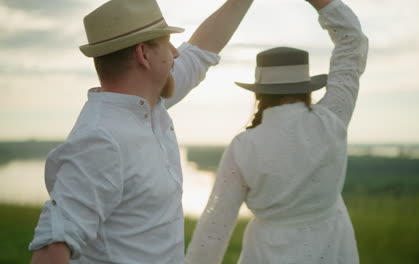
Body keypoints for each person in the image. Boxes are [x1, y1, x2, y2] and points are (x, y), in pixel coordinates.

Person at [28, 0, 254, 263]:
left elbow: (201, 50)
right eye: (167, 44)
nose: (176, 54)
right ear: (143, 55)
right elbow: (50, 249)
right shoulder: (101, 139)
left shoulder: (149, 103)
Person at [184, 0, 369, 263]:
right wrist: (324, 4)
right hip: (333, 246)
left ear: (259, 93)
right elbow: (351, 44)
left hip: (268, 251)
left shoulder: (244, 145)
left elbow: (216, 226)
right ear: (306, 86)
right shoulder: (333, 117)